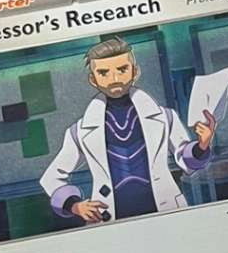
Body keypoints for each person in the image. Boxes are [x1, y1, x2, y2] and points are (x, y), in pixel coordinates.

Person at [39, 36, 216, 223]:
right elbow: (51, 177)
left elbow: (187, 162)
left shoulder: (165, 117)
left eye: (122, 70)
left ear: (135, 71)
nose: (115, 79)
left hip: (166, 209)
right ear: (93, 79)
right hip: (110, 218)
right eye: (104, 73)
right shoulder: (79, 132)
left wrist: (202, 145)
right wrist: (74, 205)